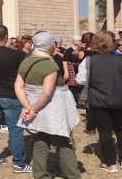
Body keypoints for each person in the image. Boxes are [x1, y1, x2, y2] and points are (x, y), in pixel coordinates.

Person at [15, 32, 82, 179]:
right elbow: (46, 93)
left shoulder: (26, 62)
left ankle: (40, 175)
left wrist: (28, 107)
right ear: (51, 46)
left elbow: (18, 86)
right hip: (52, 109)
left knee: (40, 141)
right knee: (64, 143)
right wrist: (33, 109)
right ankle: (73, 176)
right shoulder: (50, 65)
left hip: (35, 107)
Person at [76, 31, 122, 173]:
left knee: (105, 131)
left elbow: (80, 80)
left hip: (99, 100)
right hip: (120, 99)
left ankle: (110, 163)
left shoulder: (88, 61)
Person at [0, 25, 33, 173]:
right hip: (10, 95)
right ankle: (19, 164)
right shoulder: (15, 55)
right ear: (6, 37)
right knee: (15, 129)